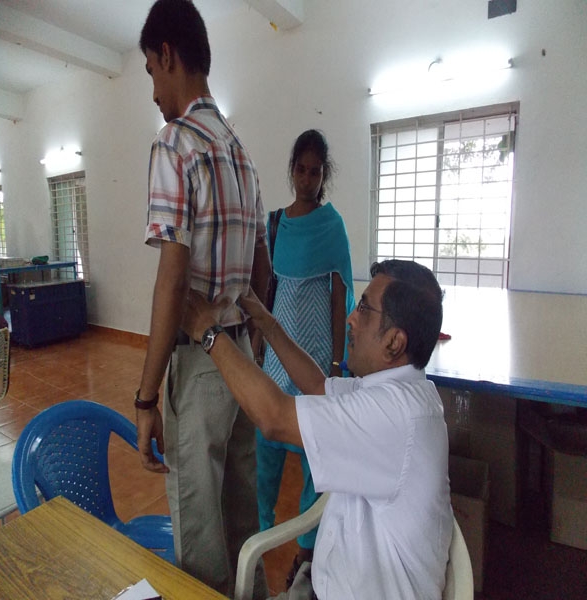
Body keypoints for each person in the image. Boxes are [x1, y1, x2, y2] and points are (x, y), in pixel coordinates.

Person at [183, 259, 453, 600]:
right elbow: (316, 385)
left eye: (364, 309)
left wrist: (209, 334)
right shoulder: (397, 392)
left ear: (394, 342)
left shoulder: (394, 416)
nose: (351, 318)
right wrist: (266, 321)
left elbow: (274, 417)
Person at [134, 1, 270, 597]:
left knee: (200, 539)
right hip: (240, 361)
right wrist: (254, 343)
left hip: (199, 362)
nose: (155, 92)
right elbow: (263, 266)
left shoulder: (175, 143)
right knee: (242, 522)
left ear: (168, 55)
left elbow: (172, 279)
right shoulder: (240, 152)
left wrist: (146, 397)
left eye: (151, 72)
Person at [257, 129, 355, 583]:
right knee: (266, 447)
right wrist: (260, 348)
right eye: (301, 169)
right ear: (292, 170)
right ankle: (260, 532)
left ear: (324, 175)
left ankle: (307, 548)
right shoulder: (277, 224)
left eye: (316, 172)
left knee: (315, 457)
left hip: (314, 359)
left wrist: (335, 363)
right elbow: (268, 289)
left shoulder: (331, 226)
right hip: (276, 356)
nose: (307, 179)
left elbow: (339, 295)